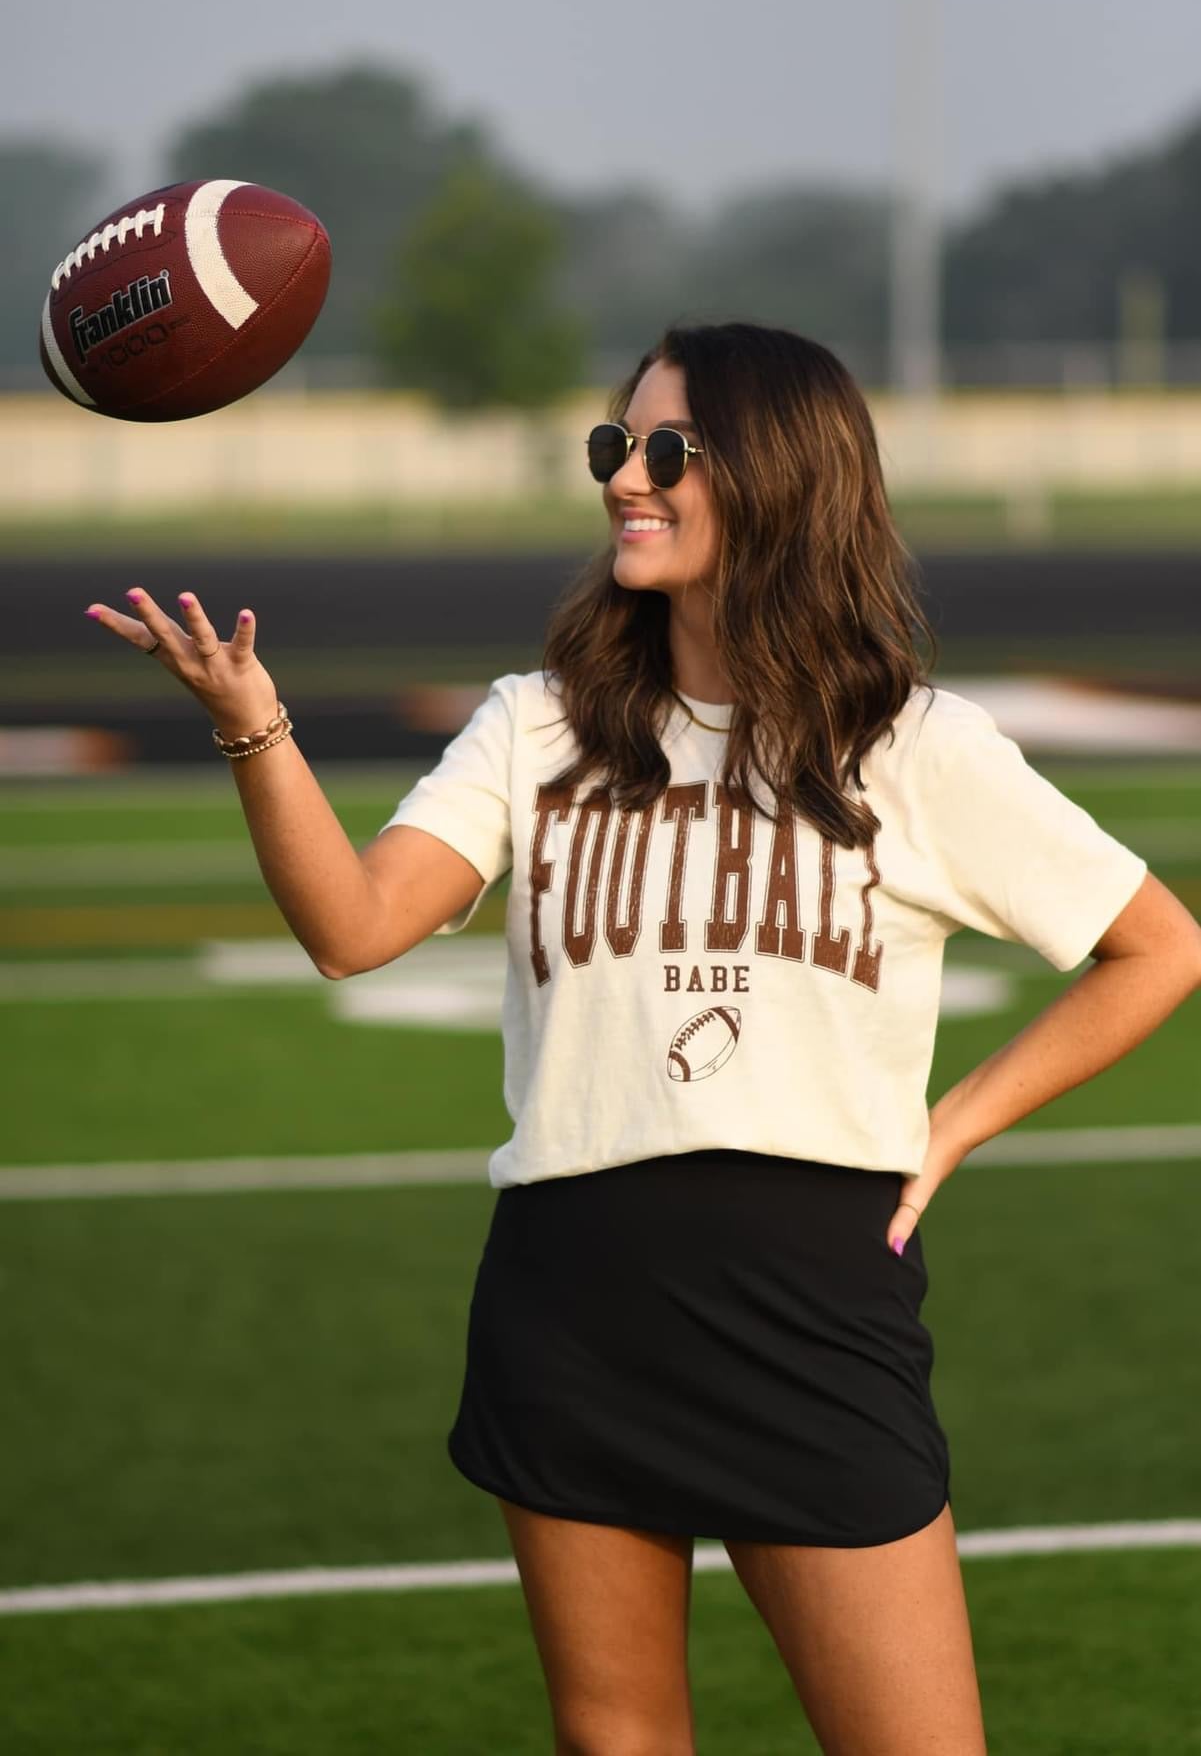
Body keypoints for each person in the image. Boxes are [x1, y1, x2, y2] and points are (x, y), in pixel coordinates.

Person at [86, 320, 1201, 1756]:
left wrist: (952, 1126)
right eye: (615, 445)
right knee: (616, 1744)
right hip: (573, 1296)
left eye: (665, 450)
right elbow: (355, 926)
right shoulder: (534, 728)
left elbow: (1158, 948)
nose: (625, 477)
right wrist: (256, 730)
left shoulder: (913, 748)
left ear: (782, 478)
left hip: (808, 1306)